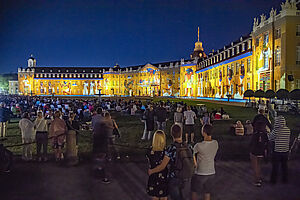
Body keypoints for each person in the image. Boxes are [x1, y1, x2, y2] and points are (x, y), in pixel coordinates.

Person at [148, 124, 193, 200]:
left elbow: (163, 166)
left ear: (172, 134)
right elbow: (194, 163)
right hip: (187, 177)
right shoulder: (189, 146)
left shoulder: (171, 148)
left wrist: (152, 171)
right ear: (181, 133)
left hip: (175, 177)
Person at [191, 124, 218, 200]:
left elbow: (192, 154)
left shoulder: (199, 145)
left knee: (194, 191)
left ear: (204, 133)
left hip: (200, 172)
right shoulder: (215, 143)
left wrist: (195, 164)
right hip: (211, 171)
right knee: (207, 192)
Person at [268, 115, 291, 184]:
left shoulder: (276, 130)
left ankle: (273, 181)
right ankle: (285, 180)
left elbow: (270, 138)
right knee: (284, 166)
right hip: (285, 151)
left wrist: (268, 133)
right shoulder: (288, 130)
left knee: (275, 167)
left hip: (277, 151)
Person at [146, 130, 168, 200]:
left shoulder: (149, 151)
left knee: (155, 196)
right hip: (163, 176)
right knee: (163, 196)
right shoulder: (166, 152)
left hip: (153, 176)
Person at [92, 108, 111, 184]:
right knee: (103, 160)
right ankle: (104, 176)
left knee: (99, 159)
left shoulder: (95, 121)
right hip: (103, 146)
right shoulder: (104, 127)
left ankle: (99, 172)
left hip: (98, 144)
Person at [249, 121, 268, 187]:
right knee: (259, 166)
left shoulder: (255, 134)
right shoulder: (265, 134)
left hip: (254, 152)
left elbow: (251, 143)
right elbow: (267, 143)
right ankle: (259, 178)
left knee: (255, 167)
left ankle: (256, 180)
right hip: (261, 151)